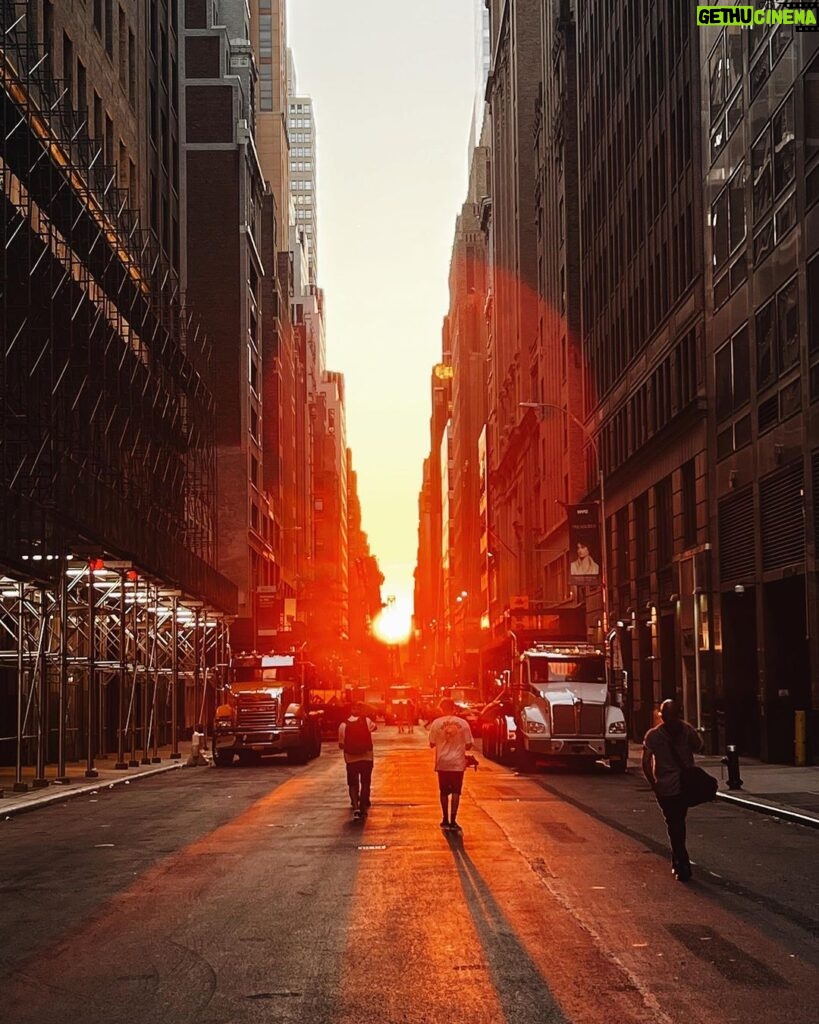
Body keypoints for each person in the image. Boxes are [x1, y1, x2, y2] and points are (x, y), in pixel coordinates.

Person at [642, 699, 704, 882]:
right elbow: (700, 746)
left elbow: (645, 762)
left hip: (665, 788)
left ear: (661, 716)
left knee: (673, 824)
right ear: (679, 714)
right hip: (684, 786)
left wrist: (653, 783)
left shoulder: (653, 735)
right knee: (679, 823)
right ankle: (680, 861)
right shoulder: (686, 730)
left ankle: (680, 861)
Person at [428, 697, 474, 833]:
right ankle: (453, 820)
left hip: (442, 762)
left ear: (441, 708)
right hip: (457, 763)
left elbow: (431, 743)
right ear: (454, 708)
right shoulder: (463, 723)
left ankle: (445, 819)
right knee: (455, 791)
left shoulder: (436, 723)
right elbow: (469, 745)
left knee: (443, 792)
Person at [338, 702, 377, 820]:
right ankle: (363, 807)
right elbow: (374, 728)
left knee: (353, 784)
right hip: (366, 757)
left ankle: (355, 808)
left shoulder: (343, 725)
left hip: (351, 759)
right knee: (365, 783)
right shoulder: (366, 720)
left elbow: (341, 745)